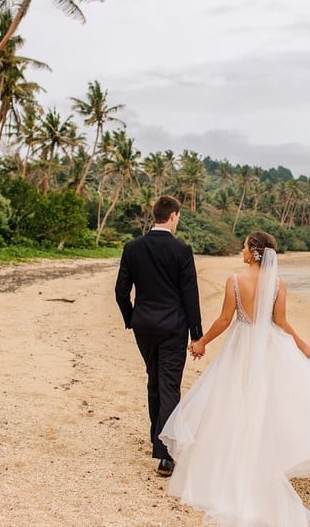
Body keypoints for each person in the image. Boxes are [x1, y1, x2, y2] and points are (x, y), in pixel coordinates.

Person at [160, 231, 310, 527]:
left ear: (253, 251)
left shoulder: (235, 281)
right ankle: (261, 461)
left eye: (244, 246)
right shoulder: (277, 284)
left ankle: (231, 464)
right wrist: (302, 344)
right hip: (267, 347)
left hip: (240, 347)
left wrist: (201, 343)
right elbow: (280, 322)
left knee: (232, 401)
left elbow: (226, 320)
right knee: (263, 403)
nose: (241, 250)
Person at [115, 195, 203, 477]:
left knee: (154, 380)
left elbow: (120, 290)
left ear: (155, 215)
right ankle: (165, 455)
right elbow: (190, 295)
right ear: (174, 215)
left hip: (144, 326)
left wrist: (132, 318)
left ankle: (157, 439)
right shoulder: (182, 250)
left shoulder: (133, 248)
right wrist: (197, 334)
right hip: (173, 327)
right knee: (169, 386)